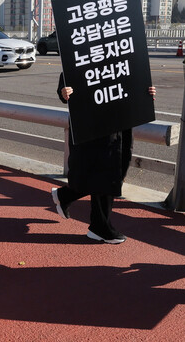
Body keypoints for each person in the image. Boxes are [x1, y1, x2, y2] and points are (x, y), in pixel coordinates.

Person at [51, 74, 156, 244]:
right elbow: (71, 70)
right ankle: (99, 226)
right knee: (106, 169)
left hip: (120, 120)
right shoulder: (85, 51)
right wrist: (64, 91)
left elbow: (132, 75)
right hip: (92, 122)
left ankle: (66, 195)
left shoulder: (121, 51)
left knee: (115, 166)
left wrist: (144, 93)